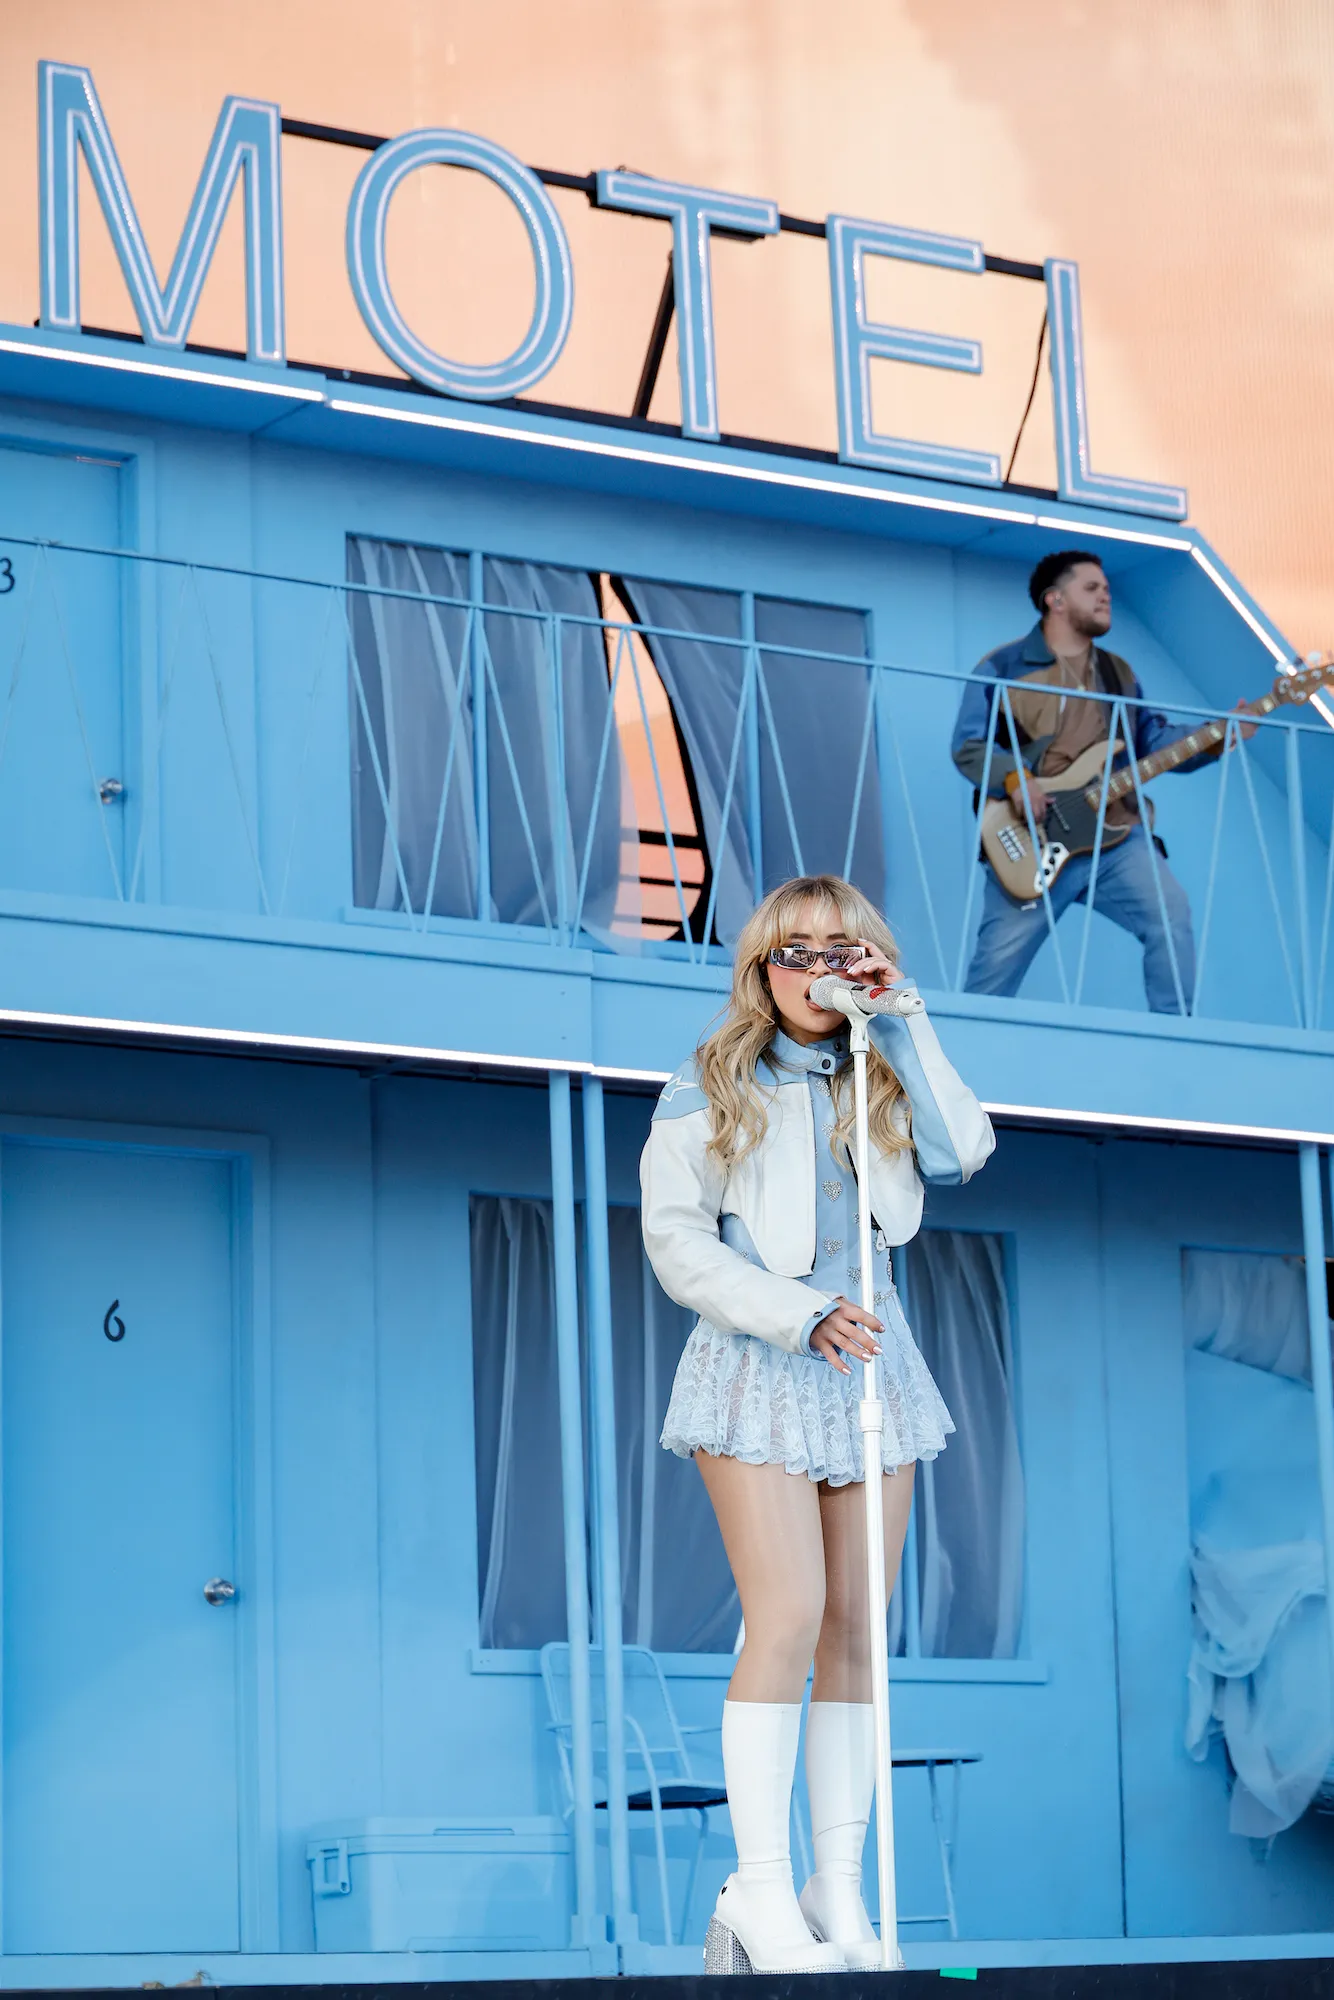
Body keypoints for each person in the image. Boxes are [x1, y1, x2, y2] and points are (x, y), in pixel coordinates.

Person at [640, 873, 994, 1973]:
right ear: (758, 967)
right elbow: (675, 1240)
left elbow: (963, 1150)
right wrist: (796, 1313)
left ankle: (831, 1884)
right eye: (791, 952)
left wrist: (906, 1015)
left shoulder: (881, 1071)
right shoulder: (708, 1079)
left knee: (857, 1637)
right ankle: (754, 1886)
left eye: (837, 950)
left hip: (873, 1373)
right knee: (785, 1613)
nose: (812, 970)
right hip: (758, 1363)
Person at [952, 549, 1238, 1014]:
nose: (1106, 595)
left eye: (1106, 589)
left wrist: (1219, 736)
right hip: (1034, 839)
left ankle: (1176, 1041)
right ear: (1055, 600)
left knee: (1171, 916)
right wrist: (1018, 780)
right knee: (992, 977)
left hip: (1116, 836)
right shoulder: (1003, 667)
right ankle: (948, 1074)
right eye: (1092, 588)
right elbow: (969, 745)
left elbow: (1155, 741)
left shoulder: (1118, 674)